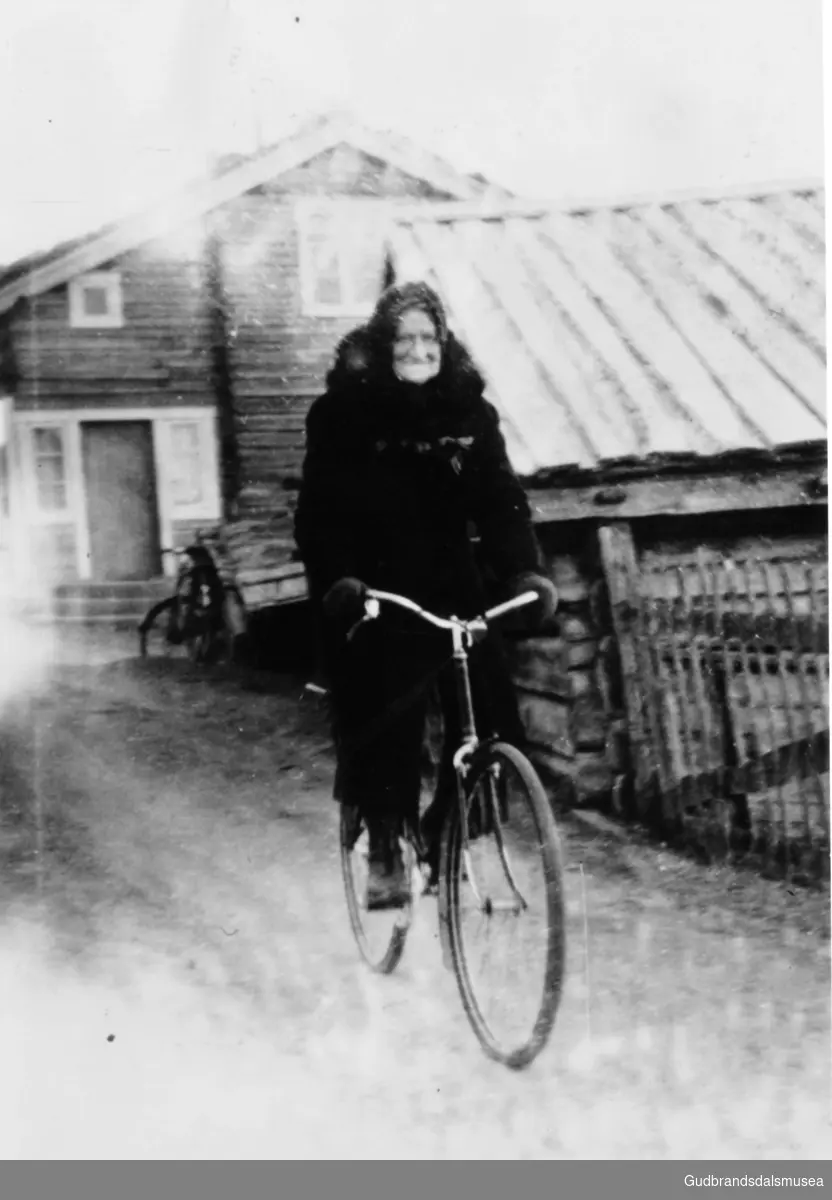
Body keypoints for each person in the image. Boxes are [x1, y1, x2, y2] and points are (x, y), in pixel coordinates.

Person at [294, 282, 557, 910]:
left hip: (451, 579)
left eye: (428, 337)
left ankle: (452, 828)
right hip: (372, 584)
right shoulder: (343, 413)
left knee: (492, 712)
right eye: (404, 338)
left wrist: (522, 571)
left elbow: (501, 502)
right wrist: (340, 581)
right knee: (384, 711)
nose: (417, 349)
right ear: (384, 345)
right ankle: (385, 843)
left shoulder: (469, 412)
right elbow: (319, 514)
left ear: (444, 343)